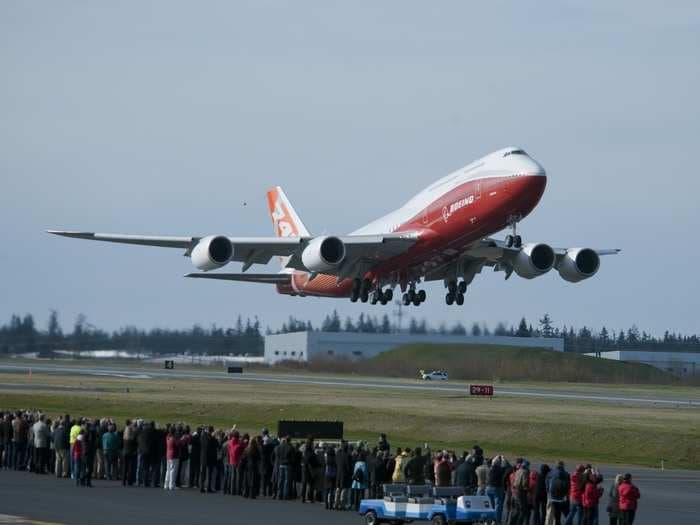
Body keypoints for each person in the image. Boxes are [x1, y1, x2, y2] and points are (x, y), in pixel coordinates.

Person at [486, 455, 507, 524]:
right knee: (497, 505)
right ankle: (495, 521)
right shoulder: (499, 469)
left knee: (490, 505)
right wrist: (503, 459)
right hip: (496, 488)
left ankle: (488, 520)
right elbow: (505, 466)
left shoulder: (490, 468)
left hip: (488, 487)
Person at [301, 437, 318, 503]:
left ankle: (303, 497)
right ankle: (310, 497)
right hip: (309, 468)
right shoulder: (311, 451)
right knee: (311, 483)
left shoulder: (305, 450)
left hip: (304, 468)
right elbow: (313, 460)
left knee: (304, 483)